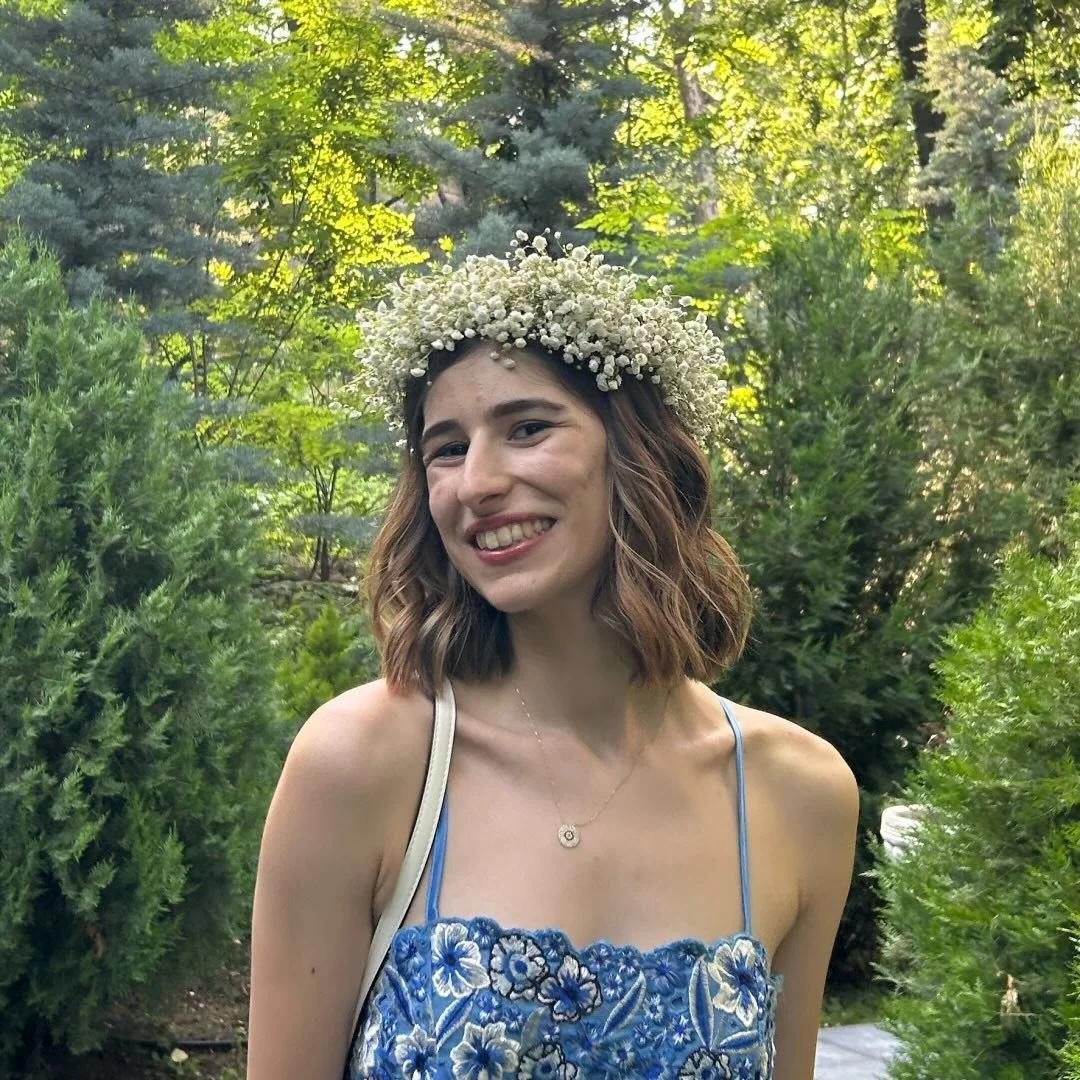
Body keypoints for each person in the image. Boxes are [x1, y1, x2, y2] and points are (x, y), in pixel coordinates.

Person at [246, 233, 859, 1080]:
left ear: (638, 452)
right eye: (446, 448)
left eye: (526, 427)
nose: (477, 481)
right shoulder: (365, 762)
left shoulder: (798, 793)